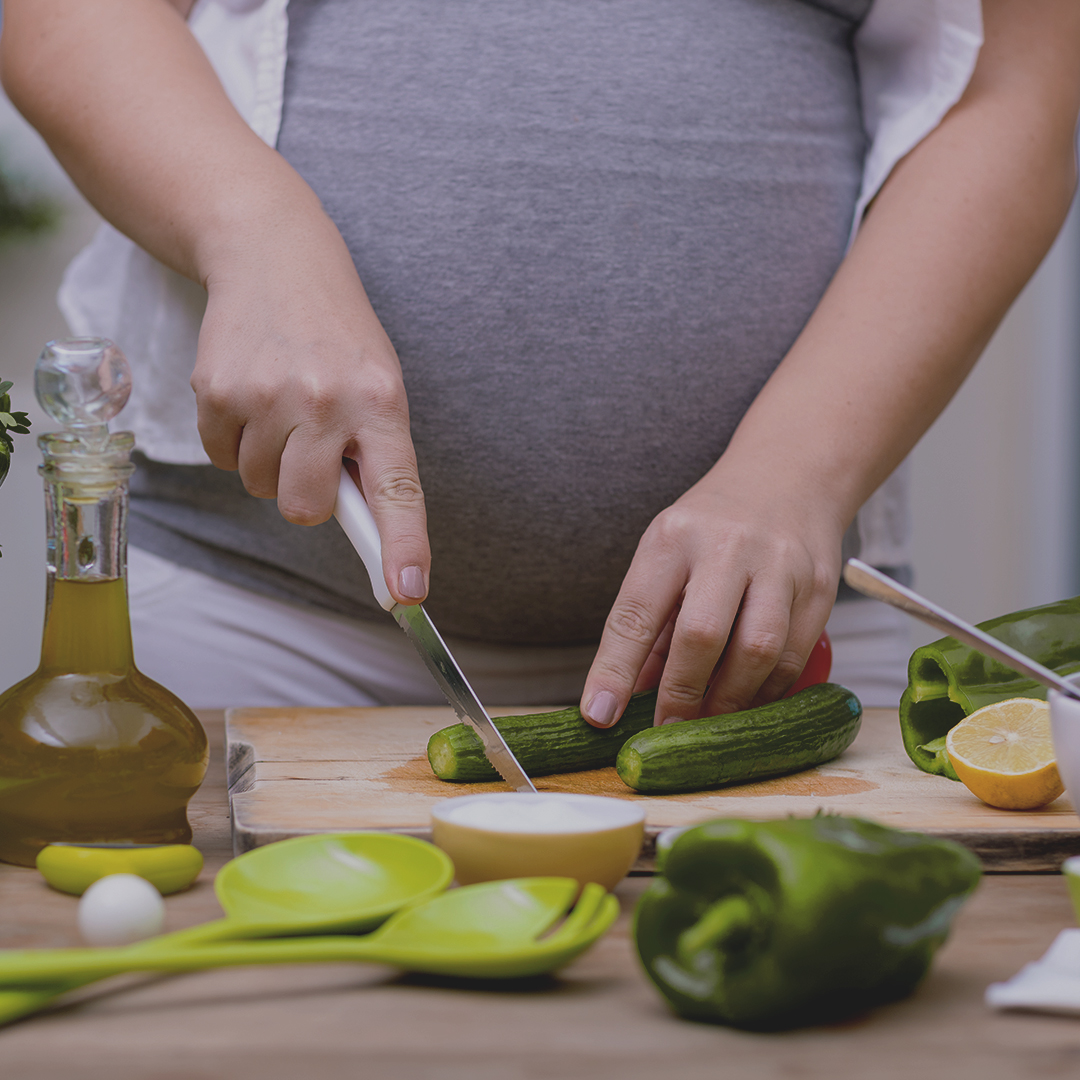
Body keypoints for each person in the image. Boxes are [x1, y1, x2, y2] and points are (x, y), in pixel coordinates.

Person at [2, 0, 1078, 728]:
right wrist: (250, 227)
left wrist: (797, 472)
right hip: (265, 625)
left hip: (767, 664)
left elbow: (1021, 83)